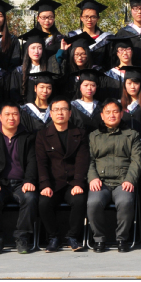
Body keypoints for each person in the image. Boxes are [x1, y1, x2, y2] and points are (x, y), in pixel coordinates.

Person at [0, 100, 39, 255]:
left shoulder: (28, 137)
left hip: (21, 183)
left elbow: (33, 161)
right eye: (7, 114)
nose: (11, 117)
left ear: (20, 116)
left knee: (30, 198)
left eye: (15, 114)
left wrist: (29, 180)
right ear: (0, 117)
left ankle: (22, 237)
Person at [87, 99, 141, 253]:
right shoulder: (94, 136)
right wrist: (93, 178)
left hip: (123, 181)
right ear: (102, 115)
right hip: (101, 181)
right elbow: (89, 160)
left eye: (115, 111)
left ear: (121, 114)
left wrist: (130, 179)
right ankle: (99, 239)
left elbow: (136, 160)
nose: (112, 115)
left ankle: (122, 239)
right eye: (108, 112)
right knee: (93, 203)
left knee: (125, 201)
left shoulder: (132, 135)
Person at [36, 98, 90, 252]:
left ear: (70, 113)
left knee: (79, 200)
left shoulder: (79, 134)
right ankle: (53, 237)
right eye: (56, 110)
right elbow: (41, 163)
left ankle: (72, 237)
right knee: (43, 203)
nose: (60, 113)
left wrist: (78, 183)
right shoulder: (42, 135)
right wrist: (45, 184)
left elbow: (82, 160)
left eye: (64, 109)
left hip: (72, 182)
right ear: (50, 114)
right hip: (53, 183)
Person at [6, 27, 59, 104]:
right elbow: (14, 95)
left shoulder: (49, 69)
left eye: (39, 48)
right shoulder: (19, 71)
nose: (36, 51)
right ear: (27, 50)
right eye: (33, 48)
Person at [66, 0, 114, 68]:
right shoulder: (73, 36)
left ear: (98, 18)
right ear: (81, 18)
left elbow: (110, 62)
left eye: (93, 17)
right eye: (86, 16)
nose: (89, 20)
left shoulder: (106, 39)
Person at [57, 32, 98, 100]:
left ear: (88, 55)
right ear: (72, 55)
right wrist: (62, 51)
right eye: (76, 54)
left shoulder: (95, 72)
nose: (79, 58)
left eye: (83, 54)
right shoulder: (67, 71)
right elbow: (56, 69)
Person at [118, 66, 141, 137]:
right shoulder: (119, 105)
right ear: (124, 85)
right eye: (129, 83)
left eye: (136, 83)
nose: (132, 87)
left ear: (140, 85)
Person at [70, 69, 105, 134]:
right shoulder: (72, 106)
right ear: (80, 87)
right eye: (85, 85)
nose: (89, 88)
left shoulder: (101, 106)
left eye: (93, 85)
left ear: (96, 87)